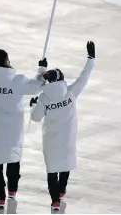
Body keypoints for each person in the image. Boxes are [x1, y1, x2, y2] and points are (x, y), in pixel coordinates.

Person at [0, 32, 47, 209]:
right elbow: (37, 86)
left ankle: (0, 198)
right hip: (13, 130)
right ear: (6, 61)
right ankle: (12, 190)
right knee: (13, 159)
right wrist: (42, 69)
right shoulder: (17, 81)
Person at [30, 41, 95, 211]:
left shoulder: (44, 98)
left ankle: (55, 201)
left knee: (52, 170)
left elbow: (36, 118)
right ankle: (61, 192)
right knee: (65, 164)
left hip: (50, 140)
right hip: (67, 137)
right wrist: (91, 58)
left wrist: (33, 105)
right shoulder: (71, 93)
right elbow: (84, 77)